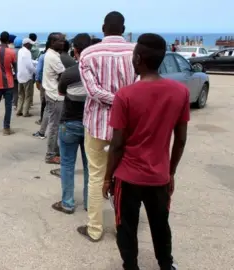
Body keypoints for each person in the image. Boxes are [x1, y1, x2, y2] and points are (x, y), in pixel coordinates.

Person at [105, 33, 185, 270]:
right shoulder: (179, 92)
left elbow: (118, 144)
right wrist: (170, 173)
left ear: (138, 58)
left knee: (126, 225)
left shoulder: (125, 95)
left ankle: (131, 266)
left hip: (128, 176)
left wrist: (108, 177)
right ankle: (166, 264)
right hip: (159, 175)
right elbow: (180, 139)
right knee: (161, 223)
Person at [76, 11, 137, 243]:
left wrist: (116, 99)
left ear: (103, 28)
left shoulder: (88, 54)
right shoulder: (135, 53)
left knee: (96, 175)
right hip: (128, 127)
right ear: (123, 28)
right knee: (127, 177)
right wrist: (124, 100)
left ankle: (94, 228)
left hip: (97, 125)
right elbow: (139, 88)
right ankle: (123, 227)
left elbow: (92, 92)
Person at [51, 33, 92, 215]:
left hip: (69, 122)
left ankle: (67, 202)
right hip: (90, 124)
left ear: (75, 50)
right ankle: (90, 203)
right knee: (89, 166)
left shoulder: (69, 73)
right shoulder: (96, 73)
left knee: (67, 164)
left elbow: (61, 93)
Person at [43, 32, 66, 164]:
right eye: (60, 41)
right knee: (54, 126)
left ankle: (55, 151)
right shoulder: (53, 57)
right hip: (56, 96)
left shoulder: (51, 55)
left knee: (54, 125)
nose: (63, 43)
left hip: (51, 93)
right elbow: (63, 76)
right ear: (52, 43)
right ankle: (50, 155)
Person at [32, 42, 50, 136]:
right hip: (53, 83)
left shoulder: (43, 56)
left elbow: (38, 70)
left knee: (43, 101)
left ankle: (42, 120)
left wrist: (37, 81)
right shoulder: (56, 56)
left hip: (44, 82)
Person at [16, 38, 37, 117]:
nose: (31, 45)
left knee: (21, 95)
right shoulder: (27, 52)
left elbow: (25, 62)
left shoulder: (20, 51)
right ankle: (25, 112)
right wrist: (36, 71)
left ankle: (19, 110)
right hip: (27, 77)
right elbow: (29, 66)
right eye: (30, 44)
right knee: (28, 96)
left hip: (20, 76)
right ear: (27, 44)